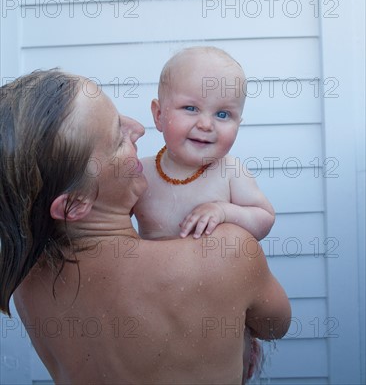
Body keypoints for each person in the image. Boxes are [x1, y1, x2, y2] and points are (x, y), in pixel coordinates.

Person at [0, 70, 291, 384]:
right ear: (74, 204)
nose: (137, 129)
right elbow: (276, 325)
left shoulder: (27, 284)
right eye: (117, 138)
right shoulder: (228, 252)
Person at [134, 46, 275, 241]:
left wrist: (223, 212)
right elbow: (110, 221)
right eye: (191, 108)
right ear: (159, 115)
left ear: (238, 124)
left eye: (222, 114)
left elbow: (264, 219)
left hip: (214, 272)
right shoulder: (141, 174)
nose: (206, 125)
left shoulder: (230, 172)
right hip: (156, 270)